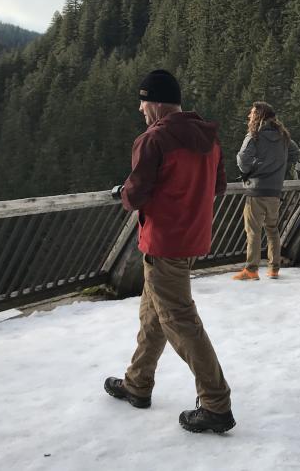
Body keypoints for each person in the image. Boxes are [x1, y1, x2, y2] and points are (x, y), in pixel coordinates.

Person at [104, 69, 235, 434]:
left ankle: (216, 403)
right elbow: (219, 186)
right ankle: (137, 383)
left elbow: (136, 195)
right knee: (153, 314)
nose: (140, 108)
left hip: (164, 243)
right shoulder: (208, 138)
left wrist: (122, 192)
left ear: (157, 103)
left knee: (180, 322)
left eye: (143, 101)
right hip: (191, 239)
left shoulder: (153, 140)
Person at [232, 101, 299, 281]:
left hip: (256, 190)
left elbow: (242, 159)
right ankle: (273, 269)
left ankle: (251, 270)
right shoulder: (283, 136)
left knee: (253, 231)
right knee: (272, 230)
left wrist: (250, 171)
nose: (249, 116)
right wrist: (278, 166)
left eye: (252, 113)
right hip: (275, 191)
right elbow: (295, 153)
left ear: (259, 116)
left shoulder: (254, 135)